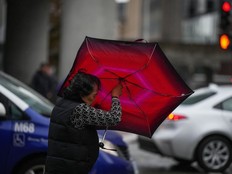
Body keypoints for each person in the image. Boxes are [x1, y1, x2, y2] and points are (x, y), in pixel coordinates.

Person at [44, 71, 123, 174]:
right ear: (82, 94)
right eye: (94, 95)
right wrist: (115, 97)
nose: (95, 97)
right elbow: (114, 118)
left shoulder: (61, 104)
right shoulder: (80, 110)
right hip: (69, 169)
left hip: (58, 166)